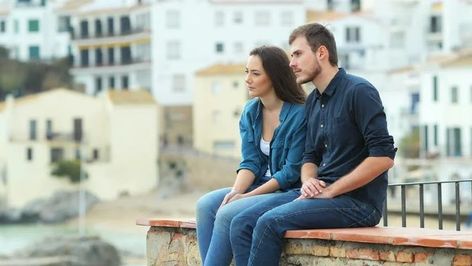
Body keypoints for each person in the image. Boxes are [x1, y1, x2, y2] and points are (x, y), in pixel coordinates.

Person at [229, 23, 397, 265]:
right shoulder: (313, 102)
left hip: (357, 203)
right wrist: (309, 181)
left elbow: (383, 158)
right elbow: (310, 157)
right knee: (241, 222)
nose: (291, 63)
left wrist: (331, 190)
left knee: (268, 223)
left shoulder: (359, 91)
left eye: (298, 54)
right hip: (319, 195)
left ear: (321, 53)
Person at [196, 45, 306, 266]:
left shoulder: (300, 113)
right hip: (258, 185)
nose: (248, 79)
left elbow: (290, 172)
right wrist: (236, 191)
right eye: (246, 71)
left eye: (255, 74)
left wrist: (246, 197)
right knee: (206, 205)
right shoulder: (250, 111)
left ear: (274, 77)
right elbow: (250, 162)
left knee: (227, 214)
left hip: (289, 190)